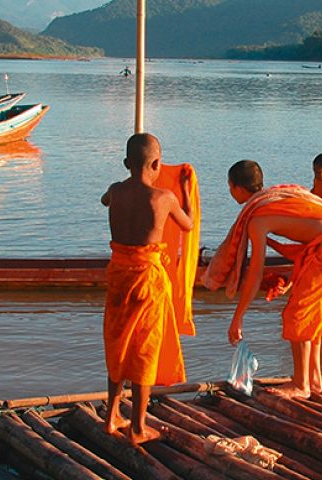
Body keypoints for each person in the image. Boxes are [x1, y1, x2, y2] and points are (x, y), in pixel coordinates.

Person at [203, 160, 322, 399]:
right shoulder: (273, 198)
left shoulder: (257, 218)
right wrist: (290, 276)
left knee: (298, 313)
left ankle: (300, 384)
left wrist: (238, 318)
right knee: (310, 312)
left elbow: (255, 273)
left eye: (229, 186)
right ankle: (314, 379)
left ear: (236, 188)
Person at [99, 133, 195, 445]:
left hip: (118, 277)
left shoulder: (115, 191)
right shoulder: (164, 197)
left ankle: (111, 416)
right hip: (146, 281)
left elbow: (105, 200)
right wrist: (186, 193)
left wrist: (124, 185)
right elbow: (188, 224)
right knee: (143, 349)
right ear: (156, 164)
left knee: (118, 345)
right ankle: (138, 427)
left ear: (126, 163)